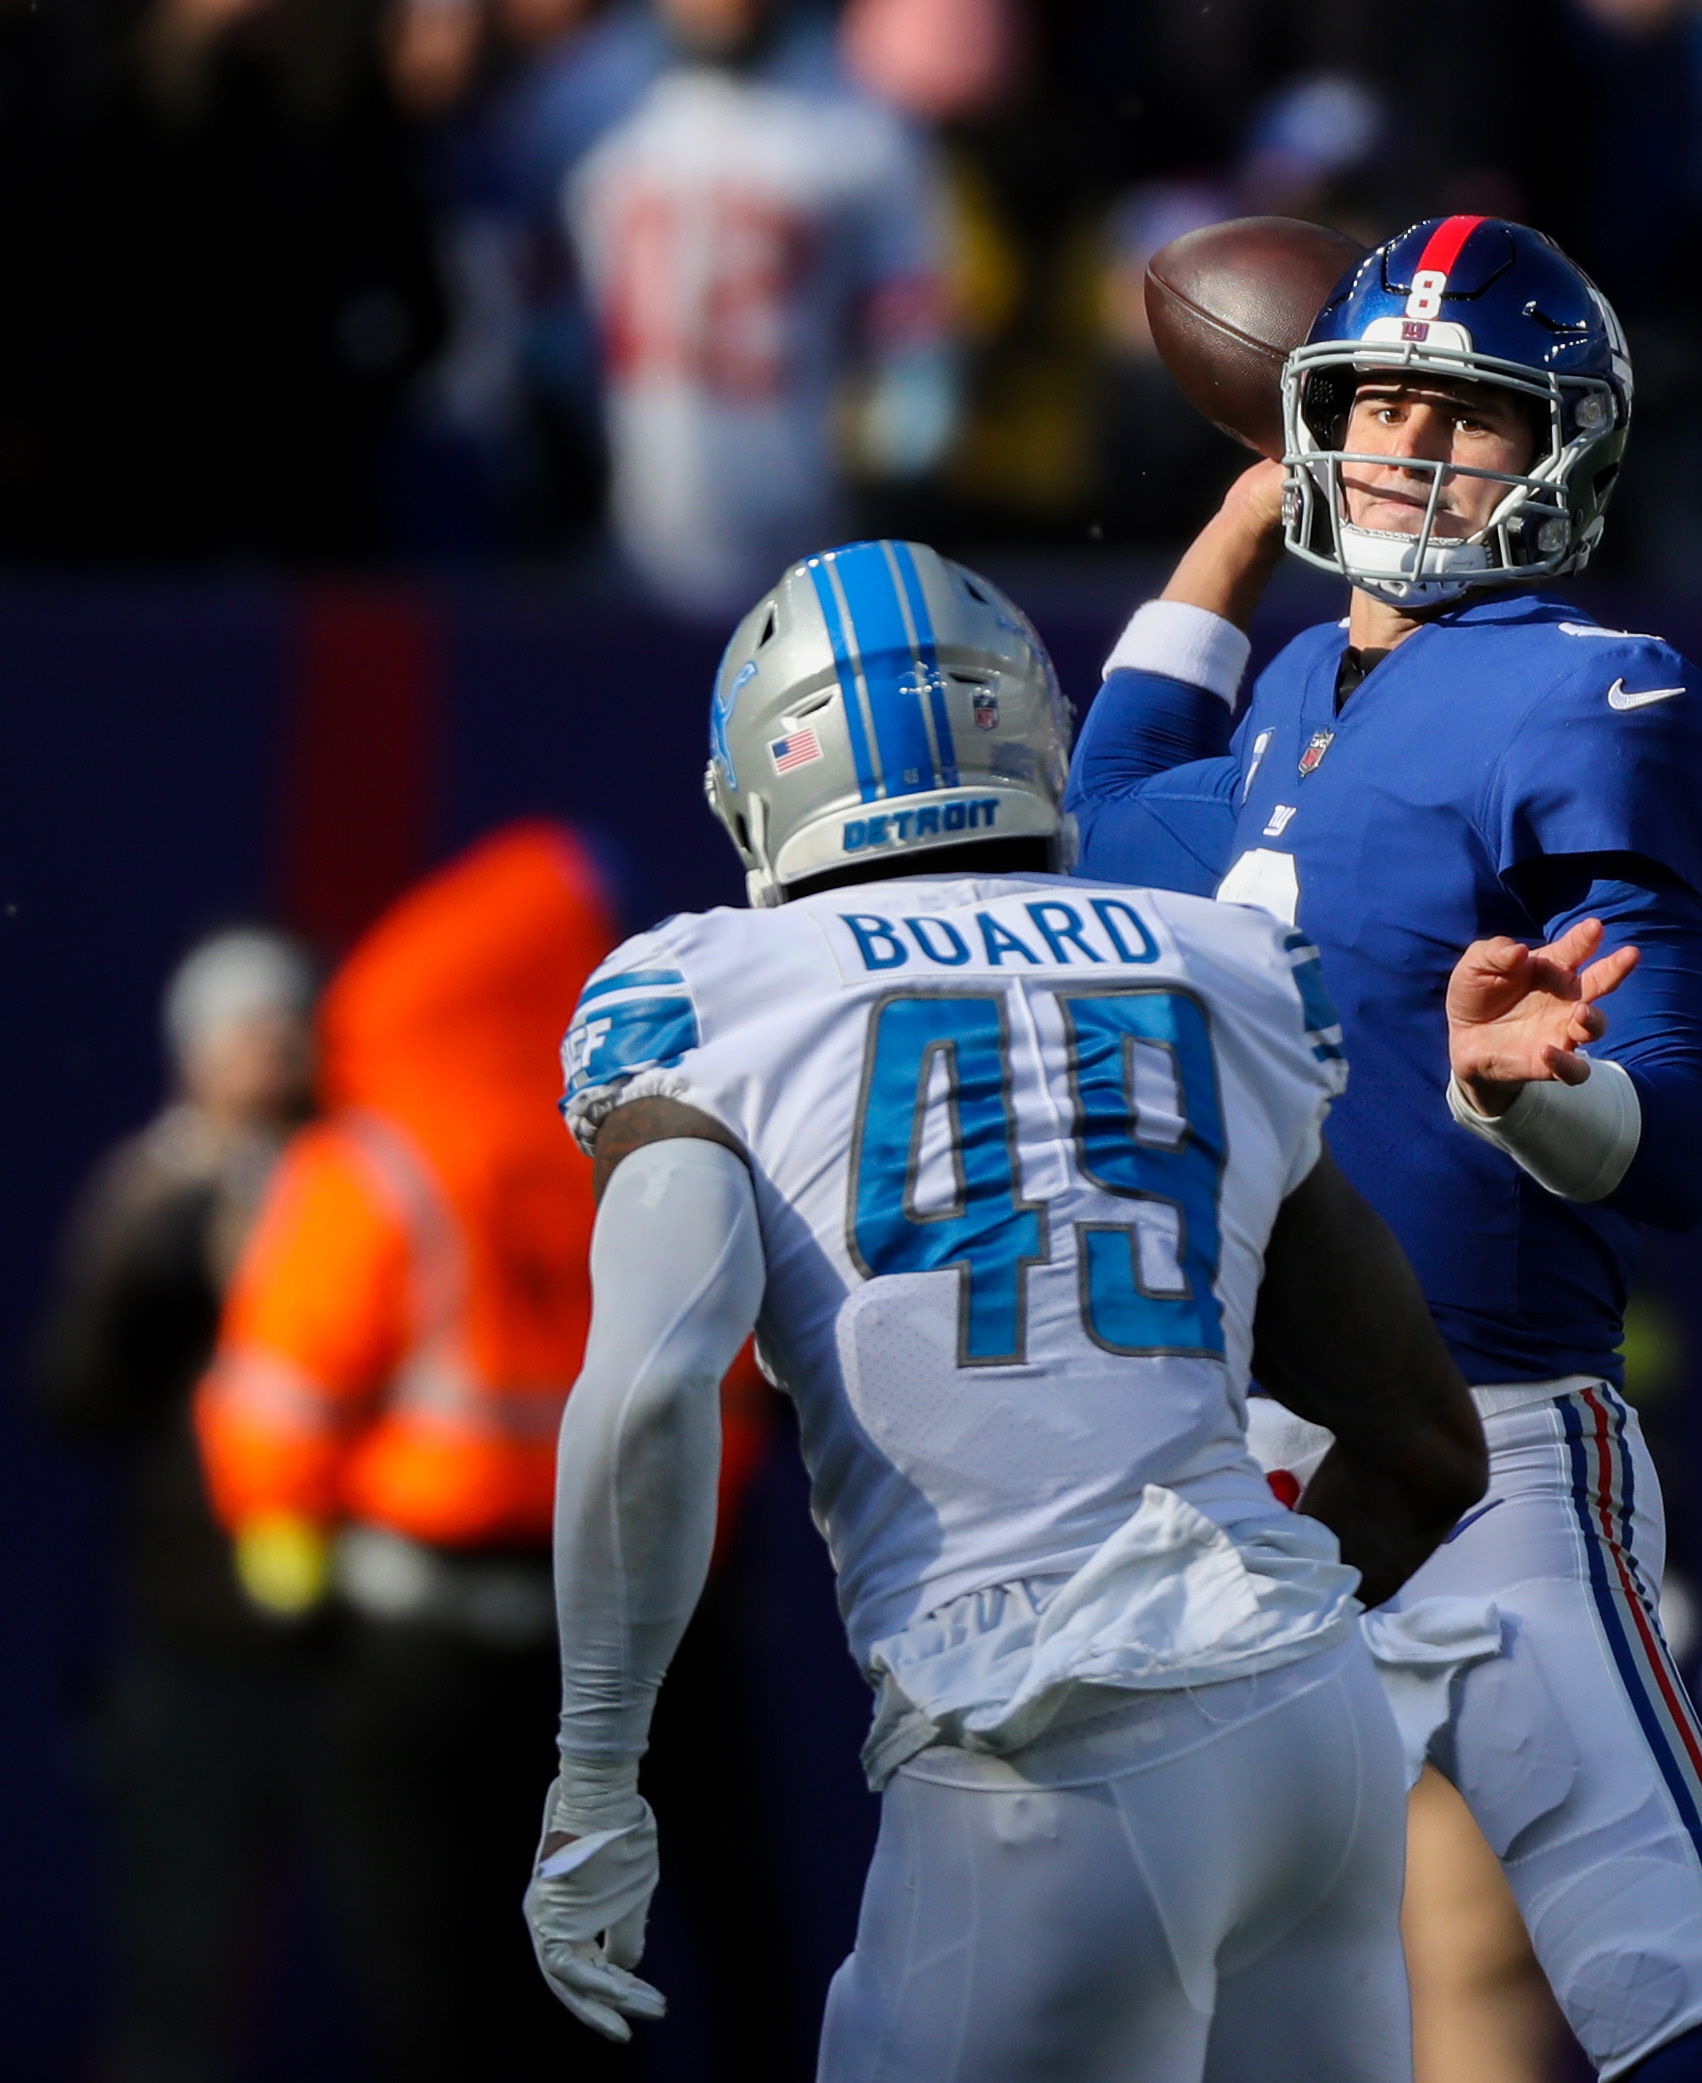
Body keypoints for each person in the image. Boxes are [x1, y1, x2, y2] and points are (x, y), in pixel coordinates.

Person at [1069, 217, 1702, 2082]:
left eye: (1460, 417)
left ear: (1558, 456)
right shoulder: (1297, 686)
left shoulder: (1591, 689)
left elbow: (1681, 1138)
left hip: (1489, 1462)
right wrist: (1238, 514)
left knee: (1694, 2041)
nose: (1403, 450)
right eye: (1372, 402)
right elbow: (1117, 812)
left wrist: (1523, 1085)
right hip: (1252, 1483)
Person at [526, 538, 1493, 2079]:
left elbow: (648, 1394)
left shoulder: (716, 993)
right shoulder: (1215, 959)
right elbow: (1433, 1446)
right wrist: (1234, 1654)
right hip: (1309, 1733)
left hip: (1044, 1740)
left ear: (763, 791)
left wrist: (595, 1766)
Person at [193, 823, 750, 2080]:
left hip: (413, 1653)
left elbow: (274, 1405)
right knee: (604, 2000)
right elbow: (722, 1393)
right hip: (630, 1641)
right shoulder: (651, 1152)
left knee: (442, 2002)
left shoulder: (374, 1156)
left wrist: (290, 1577)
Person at [32, 927, 319, 2083]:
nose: (276, 1045)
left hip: (357, 1644)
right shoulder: (144, 1188)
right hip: (192, 1641)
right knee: (176, 1961)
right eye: (248, 1024)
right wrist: (149, 1257)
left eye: (290, 1019)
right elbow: (73, 1396)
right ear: (194, 1049)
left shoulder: (358, 1181)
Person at [565, 0, 954, 612]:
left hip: (803, 546)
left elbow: (916, 373)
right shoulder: (584, 103)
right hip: (621, 547)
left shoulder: (860, 123)